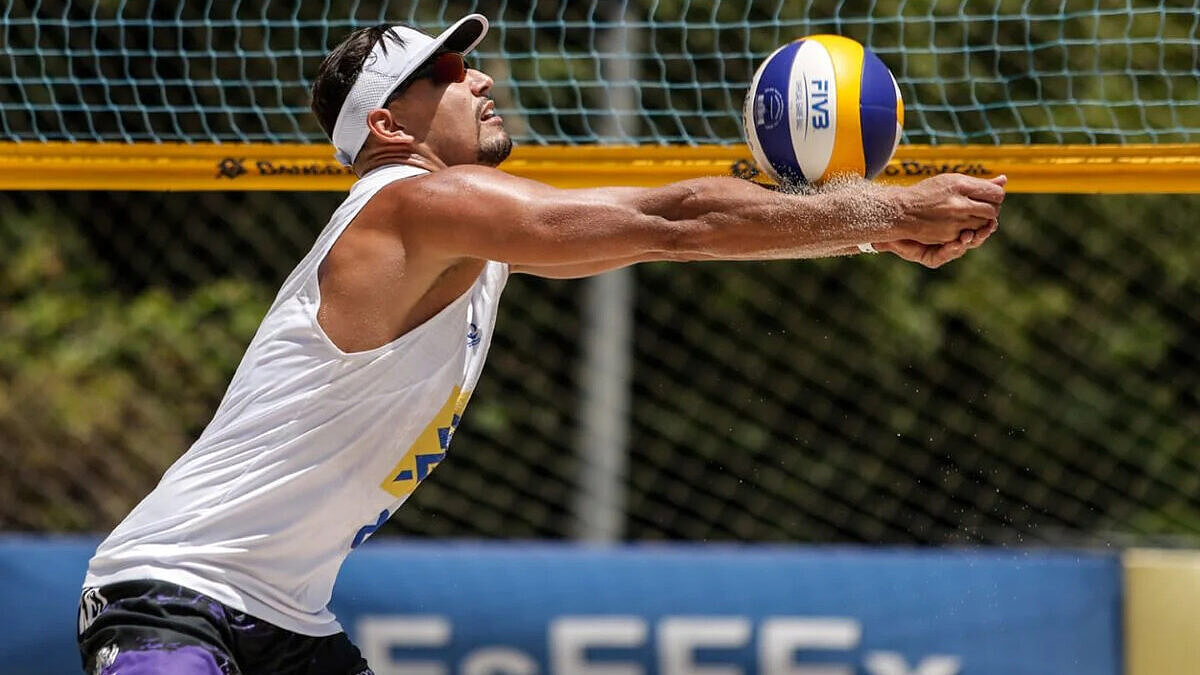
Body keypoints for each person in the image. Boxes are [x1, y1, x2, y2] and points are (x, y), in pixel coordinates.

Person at [76, 14, 1005, 675]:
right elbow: (674, 220)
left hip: (286, 620)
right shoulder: (412, 203)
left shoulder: (472, 236)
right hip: (172, 593)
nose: (479, 77)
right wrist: (886, 212)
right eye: (445, 74)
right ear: (390, 126)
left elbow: (669, 216)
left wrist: (864, 226)